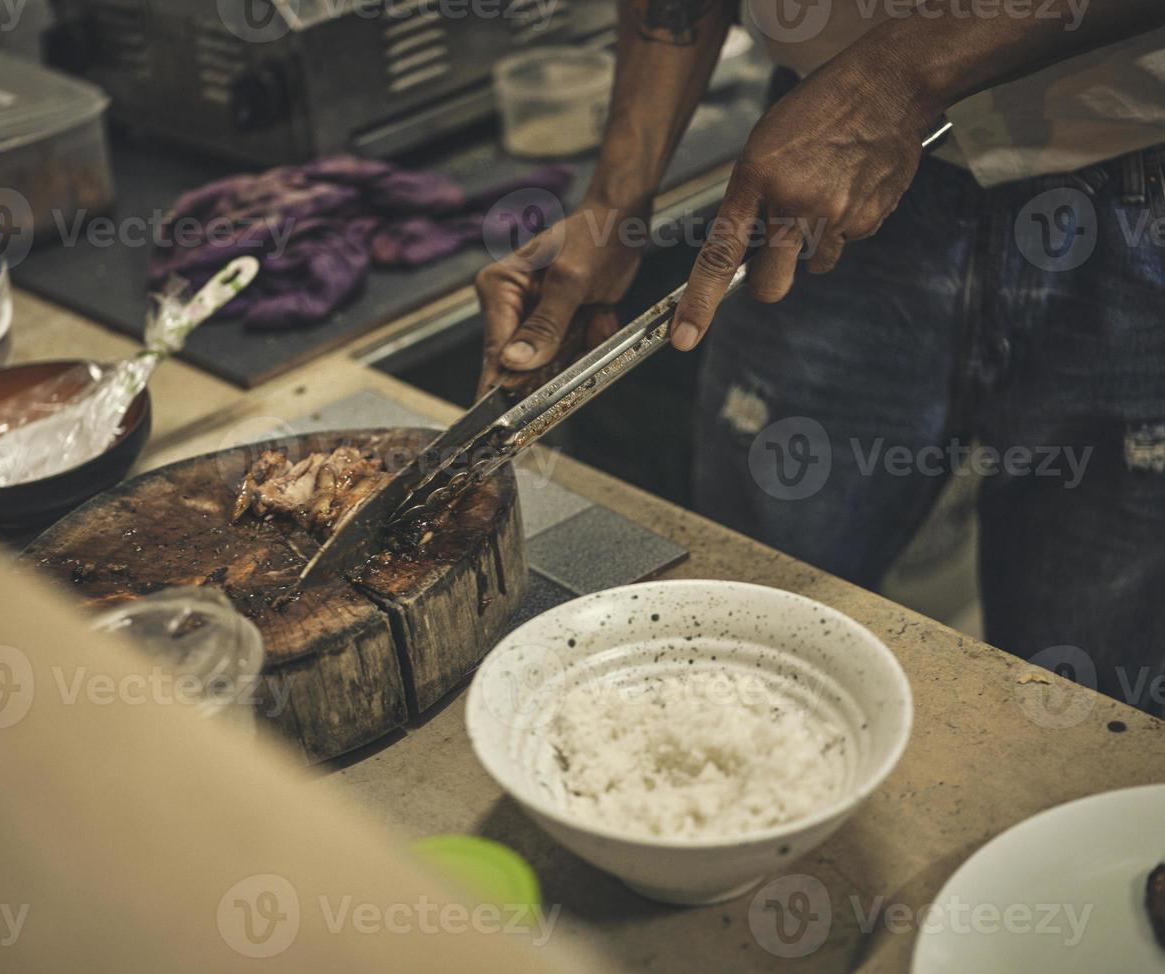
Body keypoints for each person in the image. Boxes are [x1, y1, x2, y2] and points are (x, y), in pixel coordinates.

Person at [476, 1, 1165, 717]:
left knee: (1090, 698)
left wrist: (891, 78)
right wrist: (617, 198)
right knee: (746, 631)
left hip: (1133, 186)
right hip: (818, 175)